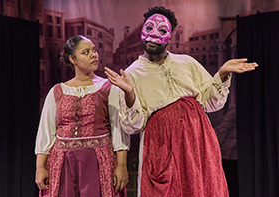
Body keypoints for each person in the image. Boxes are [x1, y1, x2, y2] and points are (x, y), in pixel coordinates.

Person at [104, 6, 258, 197]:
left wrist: (222, 74)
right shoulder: (131, 74)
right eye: (149, 28)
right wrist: (129, 93)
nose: (154, 35)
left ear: (169, 36)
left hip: (198, 141)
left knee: (202, 187)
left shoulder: (187, 62)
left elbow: (211, 103)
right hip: (162, 146)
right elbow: (132, 126)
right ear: (142, 31)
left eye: (161, 31)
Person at [35, 35, 129, 197]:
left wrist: (121, 166)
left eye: (94, 51)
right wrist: (40, 167)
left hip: (98, 162)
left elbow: (118, 129)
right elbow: (46, 132)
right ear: (73, 59)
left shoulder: (107, 88)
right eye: (86, 52)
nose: (94, 55)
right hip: (64, 163)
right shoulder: (57, 91)